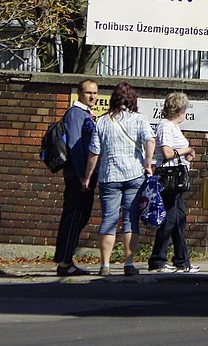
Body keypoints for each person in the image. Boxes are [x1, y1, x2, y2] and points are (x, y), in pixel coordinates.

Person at [82, 81, 155, 276]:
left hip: (109, 176)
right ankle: (128, 264)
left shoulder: (103, 121)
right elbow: (150, 140)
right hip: (134, 174)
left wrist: (87, 177)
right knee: (131, 219)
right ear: (133, 99)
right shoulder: (140, 119)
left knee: (109, 219)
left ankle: (105, 265)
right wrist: (148, 164)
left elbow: (94, 152)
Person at [147, 92, 199, 274]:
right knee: (170, 220)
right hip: (169, 177)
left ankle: (181, 261)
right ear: (179, 110)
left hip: (176, 176)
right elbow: (167, 153)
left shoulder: (172, 126)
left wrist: (186, 152)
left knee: (178, 220)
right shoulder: (166, 126)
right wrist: (187, 150)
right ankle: (158, 260)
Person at [53, 78, 99, 277]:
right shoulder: (75, 114)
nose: (93, 96)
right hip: (78, 175)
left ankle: (66, 258)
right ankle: (64, 261)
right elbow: (75, 145)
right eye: (89, 92)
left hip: (86, 175)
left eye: (95, 93)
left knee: (81, 216)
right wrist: (83, 176)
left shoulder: (86, 114)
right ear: (80, 93)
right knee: (73, 216)